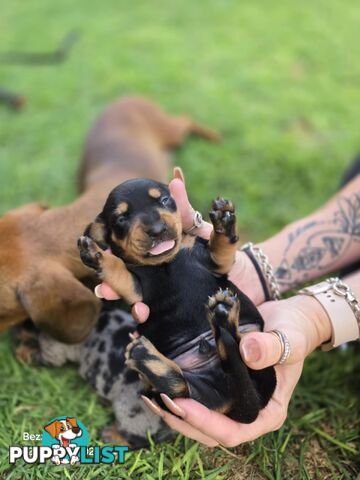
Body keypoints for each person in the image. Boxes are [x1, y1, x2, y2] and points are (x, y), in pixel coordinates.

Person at [96, 165, 360, 448]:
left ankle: (199, 362)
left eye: (161, 201)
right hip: (207, 372)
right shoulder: (155, 261)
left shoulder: (187, 249)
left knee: (227, 377)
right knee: (219, 382)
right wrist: (252, 265)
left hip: (222, 366)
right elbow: (219, 262)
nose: (155, 226)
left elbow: (215, 259)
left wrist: (316, 319)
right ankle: (198, 364)